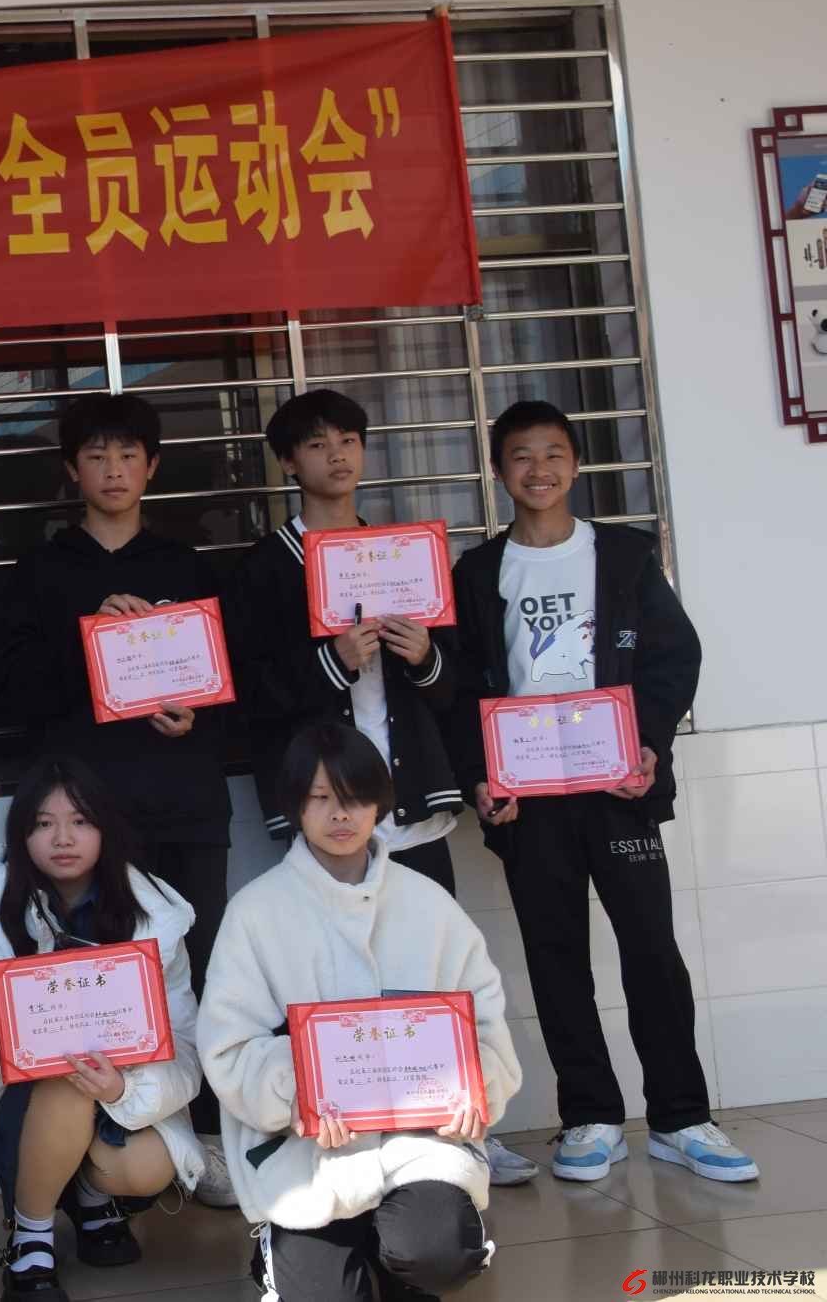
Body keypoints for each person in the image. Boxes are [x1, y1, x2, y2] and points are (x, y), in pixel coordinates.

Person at [225, 390, 537, 1188]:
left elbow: (455, 683)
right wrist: (333, 661)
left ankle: (463, 1117)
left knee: (431, 966)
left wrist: (424, 655)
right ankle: (350, 1122)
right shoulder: (264, 568)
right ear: (288, 462)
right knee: (329, 976)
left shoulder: (404, 554)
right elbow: (250, 694)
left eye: (349, 440)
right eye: (316, 443)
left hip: (410, 799)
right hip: (325, 810)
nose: (337, 455)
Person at [449, 400, 752, 1185]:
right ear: (499, 470)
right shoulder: (477, 573)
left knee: (651, 950)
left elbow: (673, 657)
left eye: (554, 453)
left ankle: (681, 1117)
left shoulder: (622, 555)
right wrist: (480, 776)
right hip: (530, 800)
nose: (540, 469)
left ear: (576, 465)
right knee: (555, 958)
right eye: (522, 456)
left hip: (617, 786)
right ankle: (590, 1116)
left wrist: (647, 744)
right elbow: (462, 689)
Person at [0, 393, 237, 1208]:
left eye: (129, 454)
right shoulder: (41, 571)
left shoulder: (189, 565)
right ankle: (103, 1156)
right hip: (86, 823)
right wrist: (87, 634)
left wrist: (197, 714)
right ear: (72, 470)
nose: (114, 470)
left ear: (152, 467)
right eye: (96, 455)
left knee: (201, 975)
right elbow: (10, 691)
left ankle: (207, 1143)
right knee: (90, 983)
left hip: (185, 803)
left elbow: (238, 687)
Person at [199, 724, 521, 1302]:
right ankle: (280, 1247)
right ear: (295, 805)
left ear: (380, 802)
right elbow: (228, 1046)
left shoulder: (429, 903)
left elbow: (485, 1024)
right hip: (307, 1149)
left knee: (436, 1254)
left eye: (354, 797)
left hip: (421, 1140)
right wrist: (300, 1095)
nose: (340, 815)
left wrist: (475, 1090)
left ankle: (413, 1248)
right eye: (321, 797)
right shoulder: (255, 913)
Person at [0, 756, 208, 1298]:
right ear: (22, 834)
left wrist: (123, 1088)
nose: (63, 838)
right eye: (44, 823)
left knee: (147, 1166)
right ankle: (31, 1236)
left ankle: (91, 1196)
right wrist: (50, 1044)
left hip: (119, 1088)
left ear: (106, 828)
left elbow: (184, 1043)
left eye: (81, 821)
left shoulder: (154, 913)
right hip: (21, 1092)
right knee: (66, 1075)